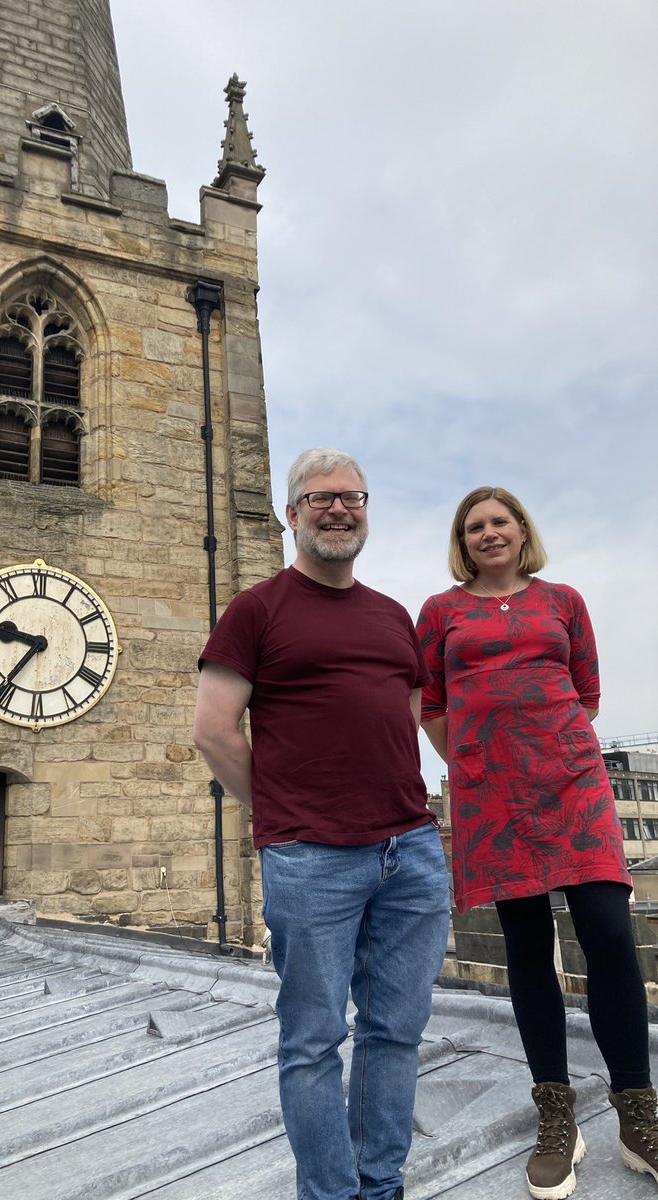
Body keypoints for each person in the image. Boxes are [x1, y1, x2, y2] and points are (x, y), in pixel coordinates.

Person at [193, 448, 450, 1200]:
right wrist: (281, 816)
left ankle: (380, 1185)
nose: (337, 510)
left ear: (366, 508)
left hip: (410, 851)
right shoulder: (256, 610)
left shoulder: (392, 615)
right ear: (291, 513)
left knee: (394, 1034)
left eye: (351, 497)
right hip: (311, 860)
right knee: (312, 1043)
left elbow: (404, 723)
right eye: (319, 499)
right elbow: (214, 732)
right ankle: (332, 1194)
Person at [416, 485, 658, 1200]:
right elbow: (432, 704)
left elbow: (586, 692)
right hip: (492, 795)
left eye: (500, 521)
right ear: (463, 543)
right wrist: (474, 760)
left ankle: (638, 1115)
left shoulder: (565, 601)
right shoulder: (440, 612)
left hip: (573, 785)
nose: (489, 533)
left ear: (522, 530)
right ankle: (557, 1116)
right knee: (526, 949)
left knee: (610, 936)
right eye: (474, 526)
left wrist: (553, 745)